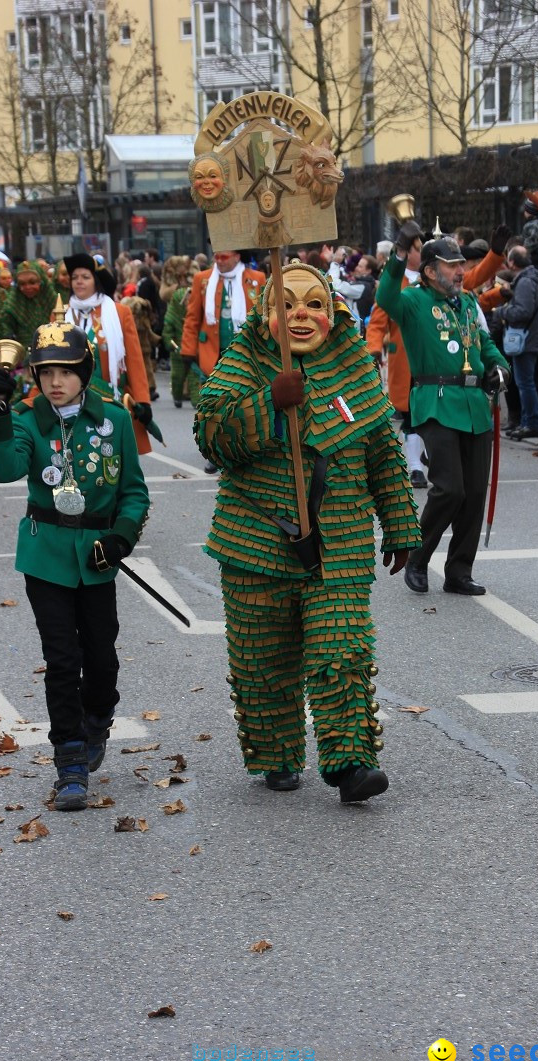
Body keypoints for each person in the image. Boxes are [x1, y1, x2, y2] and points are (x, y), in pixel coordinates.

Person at [194, 262, 421, 802]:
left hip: (339, 538)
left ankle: (350, 763)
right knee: (263, 661)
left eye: (314, 303)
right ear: (265, 313)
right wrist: (268, 401)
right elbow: (211, 437)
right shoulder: (244, 360)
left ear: (333, 311)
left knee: (341, 650)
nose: (301, 315)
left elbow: (384, 451)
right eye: (286, 304)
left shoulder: (356, 367)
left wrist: (400, 523)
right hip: (255, 540)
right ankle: (276, 754)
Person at [0, 322, 150, 810]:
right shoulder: (27, 417)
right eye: (46, 372)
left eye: (66, 372)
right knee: (61, 660)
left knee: (101, 658)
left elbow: (134, 492)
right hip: (46, 554)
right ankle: (70, 763)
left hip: (97, 554)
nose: (55, 382)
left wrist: (120, 538)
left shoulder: (114, 421)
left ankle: (98, 717)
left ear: (85, 373)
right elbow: (4, 469)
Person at [375, 225, 510, 597]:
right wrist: (400, 254)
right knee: (449, 488)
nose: (460, 270)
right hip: (435, 401)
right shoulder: (414, 301)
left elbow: (483, 344)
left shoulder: (466, 302)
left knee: (472, 495)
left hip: (473, 406)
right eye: (451, 265)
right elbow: (386, 296)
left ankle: (458, 571)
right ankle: (417, 558)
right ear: (431, 271)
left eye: (460, 264)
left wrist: (499, 367)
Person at [180, 249, 265, 473]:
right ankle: (213, 453)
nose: (218, 261)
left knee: (244, 404)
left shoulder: (256, 280)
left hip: (246, 355)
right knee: (213, 405)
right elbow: (192, 318)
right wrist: (188, 350)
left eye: (224, 257)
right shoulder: (203, 279)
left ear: (237, 256)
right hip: (212, 354)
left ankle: (240, 449)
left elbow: (265, 317)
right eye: (216, 256)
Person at [63, 252, 153, 455]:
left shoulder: (120, 312)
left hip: (109, 397)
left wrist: (143, 400)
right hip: (70, 398)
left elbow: (134, 359)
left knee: (112, 454)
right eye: (75, 277)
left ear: (96, 281)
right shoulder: (60, 313)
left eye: (85, 277)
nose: (79, 282)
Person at [366, 239, 428, 488]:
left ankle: (428, 456)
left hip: (436, 361)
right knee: (411, 414)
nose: (422, 252)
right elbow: (378, 321)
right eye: (418, 248)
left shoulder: (434, 279)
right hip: (404, 360)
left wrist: (495, 255)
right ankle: (415, 467)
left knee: (433, 415)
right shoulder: (395, 283)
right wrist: (373, 349)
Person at [498, 245, 538, 440]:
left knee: (525, 382)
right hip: (533, 336)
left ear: (512, 262)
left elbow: (522, 311)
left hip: (525, 338)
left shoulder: (526, 282)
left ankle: (531, 422)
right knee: (527, 381)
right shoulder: (534, 278)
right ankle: (528, 421)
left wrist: (502, 311)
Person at [161, 255, 199, 408]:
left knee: (194, 374)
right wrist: (171, 342)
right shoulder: (176, 300)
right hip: (178, 343)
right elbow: (169, 322)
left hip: (193, 343)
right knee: (177, 375)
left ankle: (196, 399)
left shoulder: (196, 291)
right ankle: (177, 395)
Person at [0, 260, 56, 351]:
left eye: (32, 282)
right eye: (22, 284)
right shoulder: (12, 305)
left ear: (41, 281)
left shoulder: (53, 302)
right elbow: (5, 331)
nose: (27, 287)